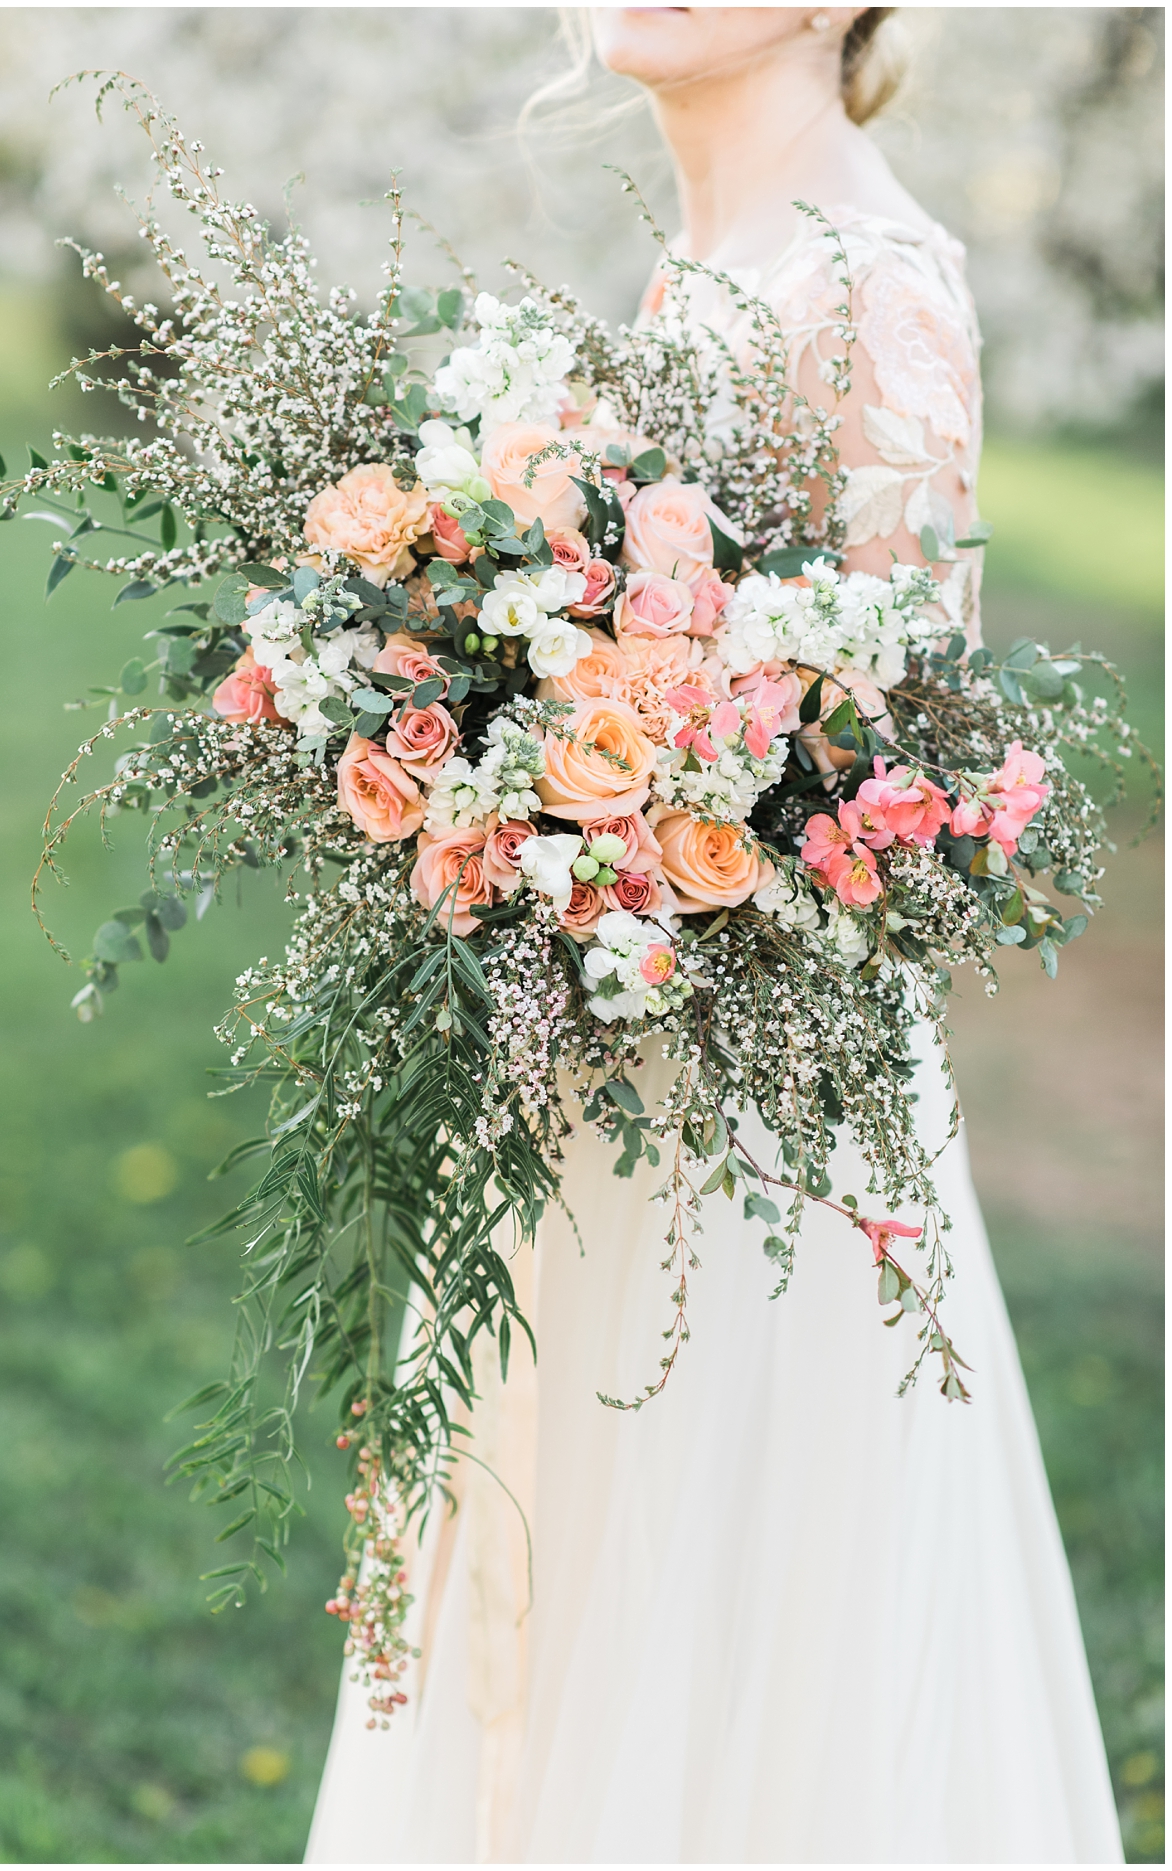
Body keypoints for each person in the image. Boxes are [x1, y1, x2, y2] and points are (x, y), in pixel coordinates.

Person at [305, 10, 1122, 1861]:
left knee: (735, 1603)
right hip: (607, 1035)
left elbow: (883, 787)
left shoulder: (868, 280)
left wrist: (587, 822)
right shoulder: (716, 263)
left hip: (750, 1103)